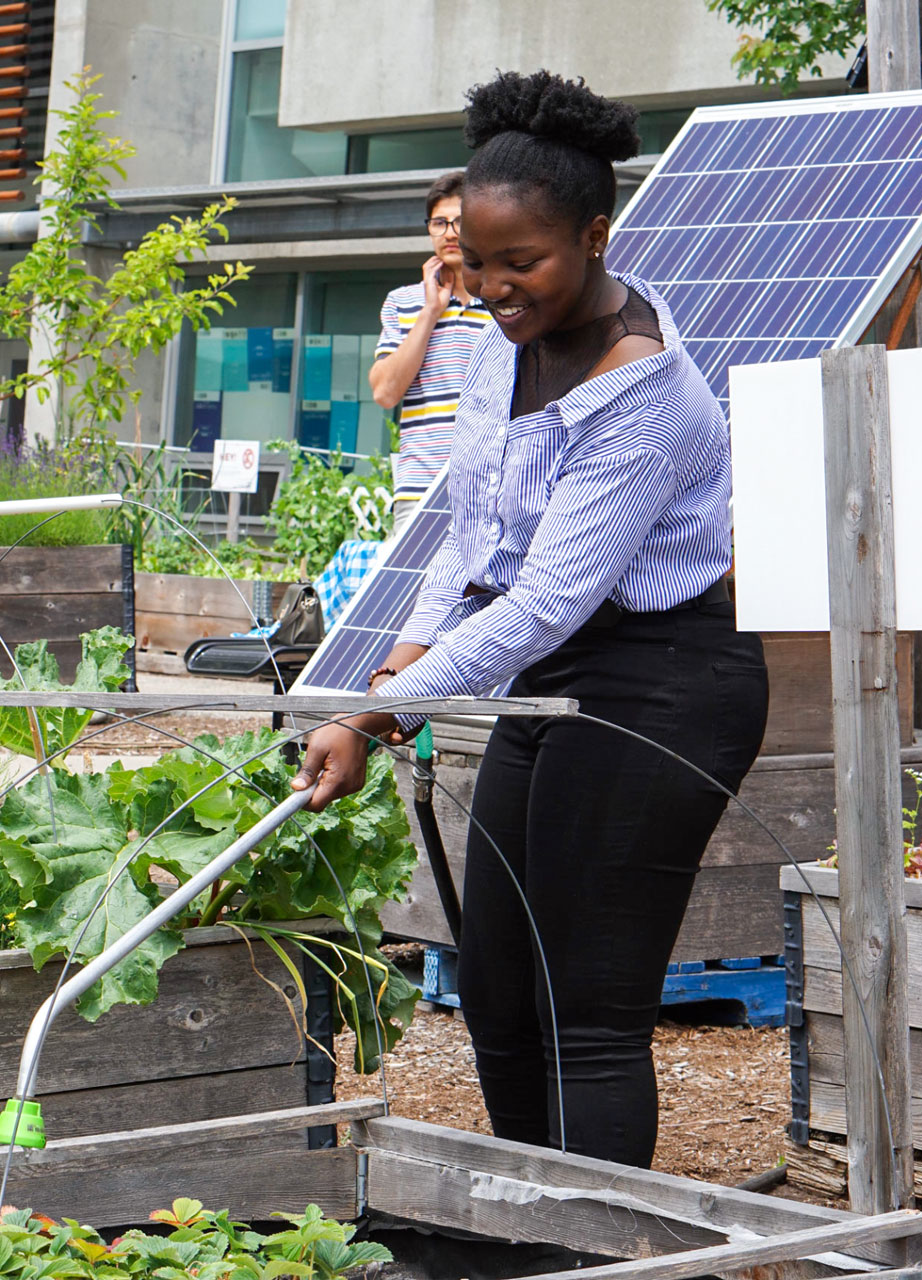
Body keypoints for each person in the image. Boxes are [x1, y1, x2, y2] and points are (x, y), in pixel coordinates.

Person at [290, 71, 769, 1168]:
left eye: (523, 264)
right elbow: (465, 534)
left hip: (667, 682)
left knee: (586, 1006)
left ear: (594, 237)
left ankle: (584, 1243)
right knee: (500, 987)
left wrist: (377, 717)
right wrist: (385, 686)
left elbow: (550, 595)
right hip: (556, 673)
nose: (497, 289)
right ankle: (522, 1225)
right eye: (477, 266)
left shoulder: (648, 395)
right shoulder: (505, 346)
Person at [369, 171, 493, 540]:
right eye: (440, 223)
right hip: (419, 487)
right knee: (409, 594)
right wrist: (429, 312)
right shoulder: (404, 303)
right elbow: (385, 392)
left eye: (460, 222)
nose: (450, 232)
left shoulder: (505, 303)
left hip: (489, 488)